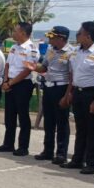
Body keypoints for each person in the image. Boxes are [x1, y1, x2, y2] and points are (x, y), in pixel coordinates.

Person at [61, 21, 94, 174]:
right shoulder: (76, 52)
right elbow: (72, 74)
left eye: (79, 33)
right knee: (81, 128)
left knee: (93, 130)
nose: (77, 36)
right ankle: (77, 159)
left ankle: (92, 162)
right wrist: (69, 92)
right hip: (77, 92)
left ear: (88, 36)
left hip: (92, 94)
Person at [24, 26, 73, 164]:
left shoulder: (71, 52)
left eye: (52, 37)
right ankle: (48, 150)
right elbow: (44, 67)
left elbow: (72, 76)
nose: (49, 39)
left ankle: (61, 153)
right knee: (49, 121)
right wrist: (33, 67)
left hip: (62, 88)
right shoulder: (51, 51)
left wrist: (68, 94)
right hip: (49, 87)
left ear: (61, 38)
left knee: (62, 122)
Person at [0, 22, 38, 156]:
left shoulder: (31, 49)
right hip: (10, 83)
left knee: (23, 116)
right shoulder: (14, 47)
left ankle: (23, 146)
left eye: (15, 31)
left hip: (23, 85)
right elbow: (8, 65)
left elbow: (27, 71)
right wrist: (6, 81)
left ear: (23, 33)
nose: (13, 33)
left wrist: (11, 82)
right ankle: (8, 143)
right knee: (9, 115)